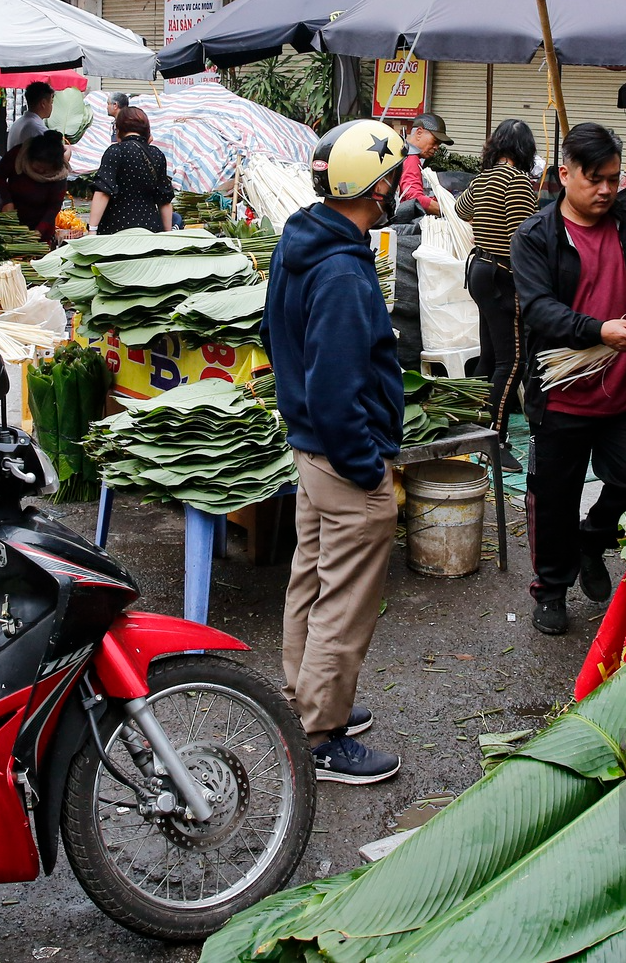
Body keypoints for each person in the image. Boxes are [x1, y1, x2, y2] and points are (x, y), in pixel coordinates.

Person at [266, 118, 407, 785]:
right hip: (342, 459)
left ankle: (305, 699)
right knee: (344, 602)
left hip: (308, 452)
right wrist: (367, 466)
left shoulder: (299, 239)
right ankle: (321, 738)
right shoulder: (345, 276)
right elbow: (337, 388)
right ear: (379, 188)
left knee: (312, 578)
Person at [510, 122, 626, 636]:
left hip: (624, 387)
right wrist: (598, 330)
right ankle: (551, 591)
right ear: (565, 174)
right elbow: (540, 310)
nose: (606, 190)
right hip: (563, 393)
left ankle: (592, 539)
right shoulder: (536, 236)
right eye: (595, 179)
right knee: (554, 497)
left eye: (613, 178)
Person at [457, 118, 540, 454]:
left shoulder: (482, 180)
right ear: (524, 150)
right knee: (512, 362)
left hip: (479, 269)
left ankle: (469, 420)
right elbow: (522, 240)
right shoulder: (518, 183)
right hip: (503, 275)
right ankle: (494, 438)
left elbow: (462, 210)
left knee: (490, 356)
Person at [89, 106, 173, 234]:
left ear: (119, 129)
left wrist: (92, 230)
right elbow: (165, 200)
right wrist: (168, 234)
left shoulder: (116, 151)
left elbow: (102, 192)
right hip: (150, 229)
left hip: (116, 229)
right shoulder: (157, 154)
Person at [0, 130, 69, 243]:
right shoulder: (18, 155)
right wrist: (7, 201)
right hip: (11, 219)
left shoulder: (59, 176)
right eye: (38, 166)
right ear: (30, 157)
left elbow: (53, 207)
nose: (40, 171)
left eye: (45, 170)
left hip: (41, 227)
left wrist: (39, 231)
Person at [397, 112, 450, 217]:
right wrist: (448, 212)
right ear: (419, 133)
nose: (436, 147)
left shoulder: (400, 149)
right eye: (435, 141)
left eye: (439, 144)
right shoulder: (411, 157)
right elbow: (413, 197)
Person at [7, 81, 55, 151]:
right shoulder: (37, 129)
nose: (51, 106)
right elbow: (54, 158)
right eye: (51, 102)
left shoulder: (17, 123)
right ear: (43, 103)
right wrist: (68, 152)